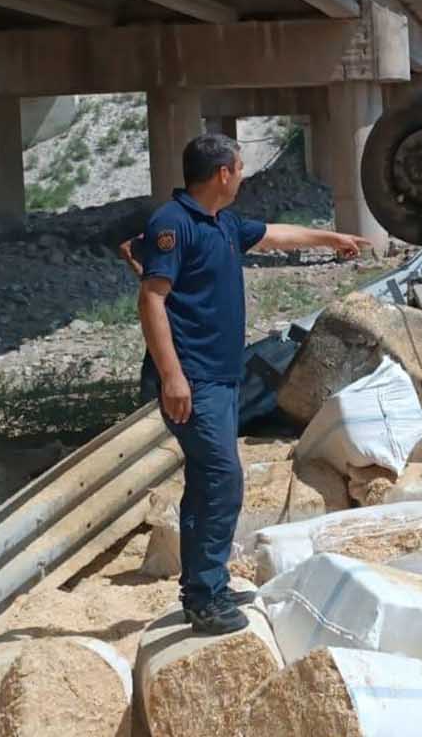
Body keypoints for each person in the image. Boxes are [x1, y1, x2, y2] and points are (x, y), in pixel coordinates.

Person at [127, 133, 370, 634]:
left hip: (220, 376)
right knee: (222, 480)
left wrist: (332, 239)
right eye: (238, 168)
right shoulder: (174, 224)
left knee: (209, 480)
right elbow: (151, 299)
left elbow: (275, 235)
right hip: (192, 379)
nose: (241, 176)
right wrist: (172, 378)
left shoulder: (221, 223)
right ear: (221, 174)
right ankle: (204, 597)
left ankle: (205, 586)